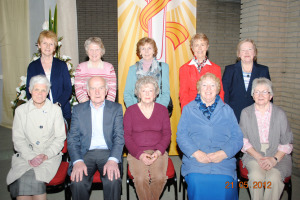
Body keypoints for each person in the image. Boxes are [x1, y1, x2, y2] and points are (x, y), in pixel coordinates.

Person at [177, 73, 243, 200]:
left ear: (218, 89)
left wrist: (223, 153)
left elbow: (237, 137)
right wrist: (196, 153)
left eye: (212, 85)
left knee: (226, 185)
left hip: (223, 162)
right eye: (204, 85)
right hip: (196, 161)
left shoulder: (227, 110)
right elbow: (181, 136)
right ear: (199, 88)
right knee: (197, 182)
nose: (208, 89)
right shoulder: (188, 109)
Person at [7, 75, 66, 200]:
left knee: (37, 178)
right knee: (22, 180)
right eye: (36, 90)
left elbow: (60, 138)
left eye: (43, 90)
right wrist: (30, 156)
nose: (40, 94)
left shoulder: (55, 110)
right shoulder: (21, 111)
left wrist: (46, 154)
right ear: (30, 90)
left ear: (48, 92)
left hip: (49, 157)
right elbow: (18, 139)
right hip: (26, 155)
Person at [68, 76, 124, 200]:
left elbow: (119, 137)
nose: (97, 92)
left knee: (113, 179)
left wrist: (113, 160)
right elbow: (73, 139)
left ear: (107, 90)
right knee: (78, 181)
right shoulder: (78, 110)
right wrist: (77, 161)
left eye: (101, 88)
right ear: (87, 92)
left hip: (108, 152)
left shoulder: (116, 109)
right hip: (85, 153)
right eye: (93, 88)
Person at [240, 78, 293, 200]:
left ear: (271, 96)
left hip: (278, 154)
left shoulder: (280, 113)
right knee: (255, 177)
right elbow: (243, 140)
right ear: (253, 95)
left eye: (265, 92)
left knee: (274, 179)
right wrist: (258, 157)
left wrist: (274, 159)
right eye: (257, 92)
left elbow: (287, 142)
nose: (260, 95)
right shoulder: (246, 113)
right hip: (253, 153)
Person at [124, 76, 171, 200]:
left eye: (151, 90)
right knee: (140, 179)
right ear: (138, 94)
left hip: (157, 151)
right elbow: (127, 137)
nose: (147, 94)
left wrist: (158, 152)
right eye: (144, 90)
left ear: (155, 94)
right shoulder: (130, 111)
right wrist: (140, 154)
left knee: (159, 178)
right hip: (137, 151)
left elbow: (167, 134)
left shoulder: (162, 110)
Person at [26, 30, 72, 125]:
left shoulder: (62, 65)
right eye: (44, 43)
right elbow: (29, 90)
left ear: (54, 47)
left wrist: (58, 104)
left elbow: (68, 89)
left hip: (61, 110)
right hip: (39, 111)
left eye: (51, 44)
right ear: (39, 45)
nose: (47, 47)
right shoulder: (32, 67)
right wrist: (41, 107)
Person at [222, 38, 271, 122]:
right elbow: (224, 95)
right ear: (238, 54)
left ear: (255, 52)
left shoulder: (263, 70)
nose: (247, 52)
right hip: (233, 116)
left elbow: (268, 95)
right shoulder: (229, 70)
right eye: (243, 50)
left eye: (250, 49)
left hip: (257, 116)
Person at [179, 33, 224, 110]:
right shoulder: (184, 68)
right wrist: (187, 113)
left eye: (202, 45)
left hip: (211, 110)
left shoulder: (216, 68)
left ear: (207, 47)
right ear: (192, 48)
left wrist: (218, 111)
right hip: (192, 111)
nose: (200, 48)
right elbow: (183, 95)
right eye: (196, 45)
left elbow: (220, 93)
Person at [123, 37, 170, 108]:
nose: (146, 52)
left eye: (149, 48)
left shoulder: (163, 67)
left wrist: (160, 110)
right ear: (140, 52)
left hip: (158, 108)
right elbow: (127, 93)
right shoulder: (133, 69)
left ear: (154, 51)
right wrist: (133, 110)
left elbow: (166, 93)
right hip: (137, 109)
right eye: (143, 49)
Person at [75, 37, 117, 103]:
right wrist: (88, 106)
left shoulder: (109, 67)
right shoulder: (80, 67)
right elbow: (78, 89)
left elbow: (112, 90)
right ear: (87, 51)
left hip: (105, 106)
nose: (94, 53)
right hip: (86, 106)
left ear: (101, 51)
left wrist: (106, 107)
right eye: (91, 50)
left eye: (97, 50)